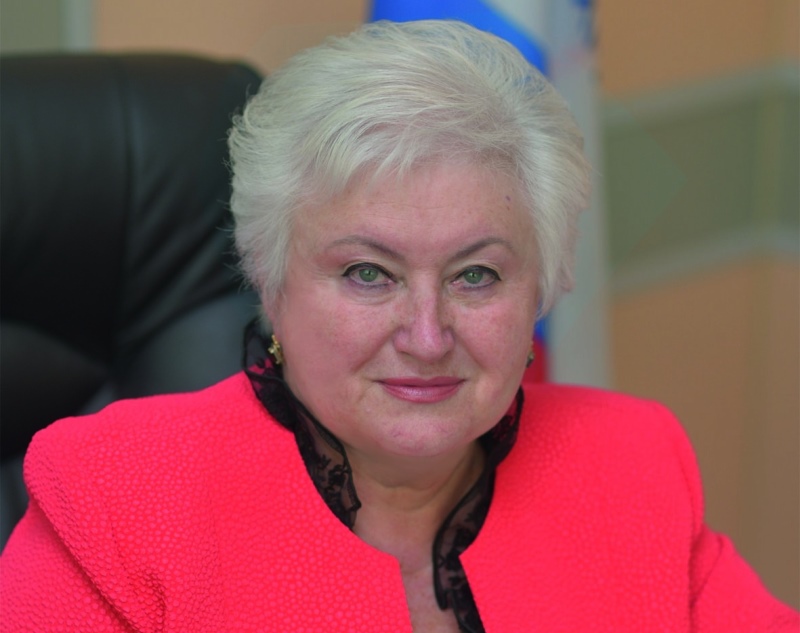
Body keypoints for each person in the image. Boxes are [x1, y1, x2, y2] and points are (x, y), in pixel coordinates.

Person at [1, 20, 796, 633]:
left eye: (476, 275)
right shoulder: (113, 502)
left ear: (542, 289)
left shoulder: (633, 466)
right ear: (270, 280)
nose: (426, 335)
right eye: (367, 273)